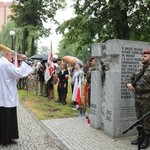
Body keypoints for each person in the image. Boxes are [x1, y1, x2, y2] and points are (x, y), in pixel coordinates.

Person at [0, 47, 33, 145]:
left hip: (2, 95)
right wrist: (24, 61)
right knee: (8, 117)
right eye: (11, 55)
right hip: (7, 95)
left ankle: (5, 137)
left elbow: (12, 76)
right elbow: (20, 73)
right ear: (6, 54)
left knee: (2, 117)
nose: (12, 57)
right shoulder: (6, 64)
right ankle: (6, 139)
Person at [127, 49, 150, 149]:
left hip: (147, 98)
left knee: (147, 120)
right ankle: (140, 137)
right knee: (139, 118)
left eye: (145, 56)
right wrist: (128, 84)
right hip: (137, 97)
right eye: (142, 56)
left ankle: (146, 140)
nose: (142, 57)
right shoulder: (138, 68)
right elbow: (130, 79)